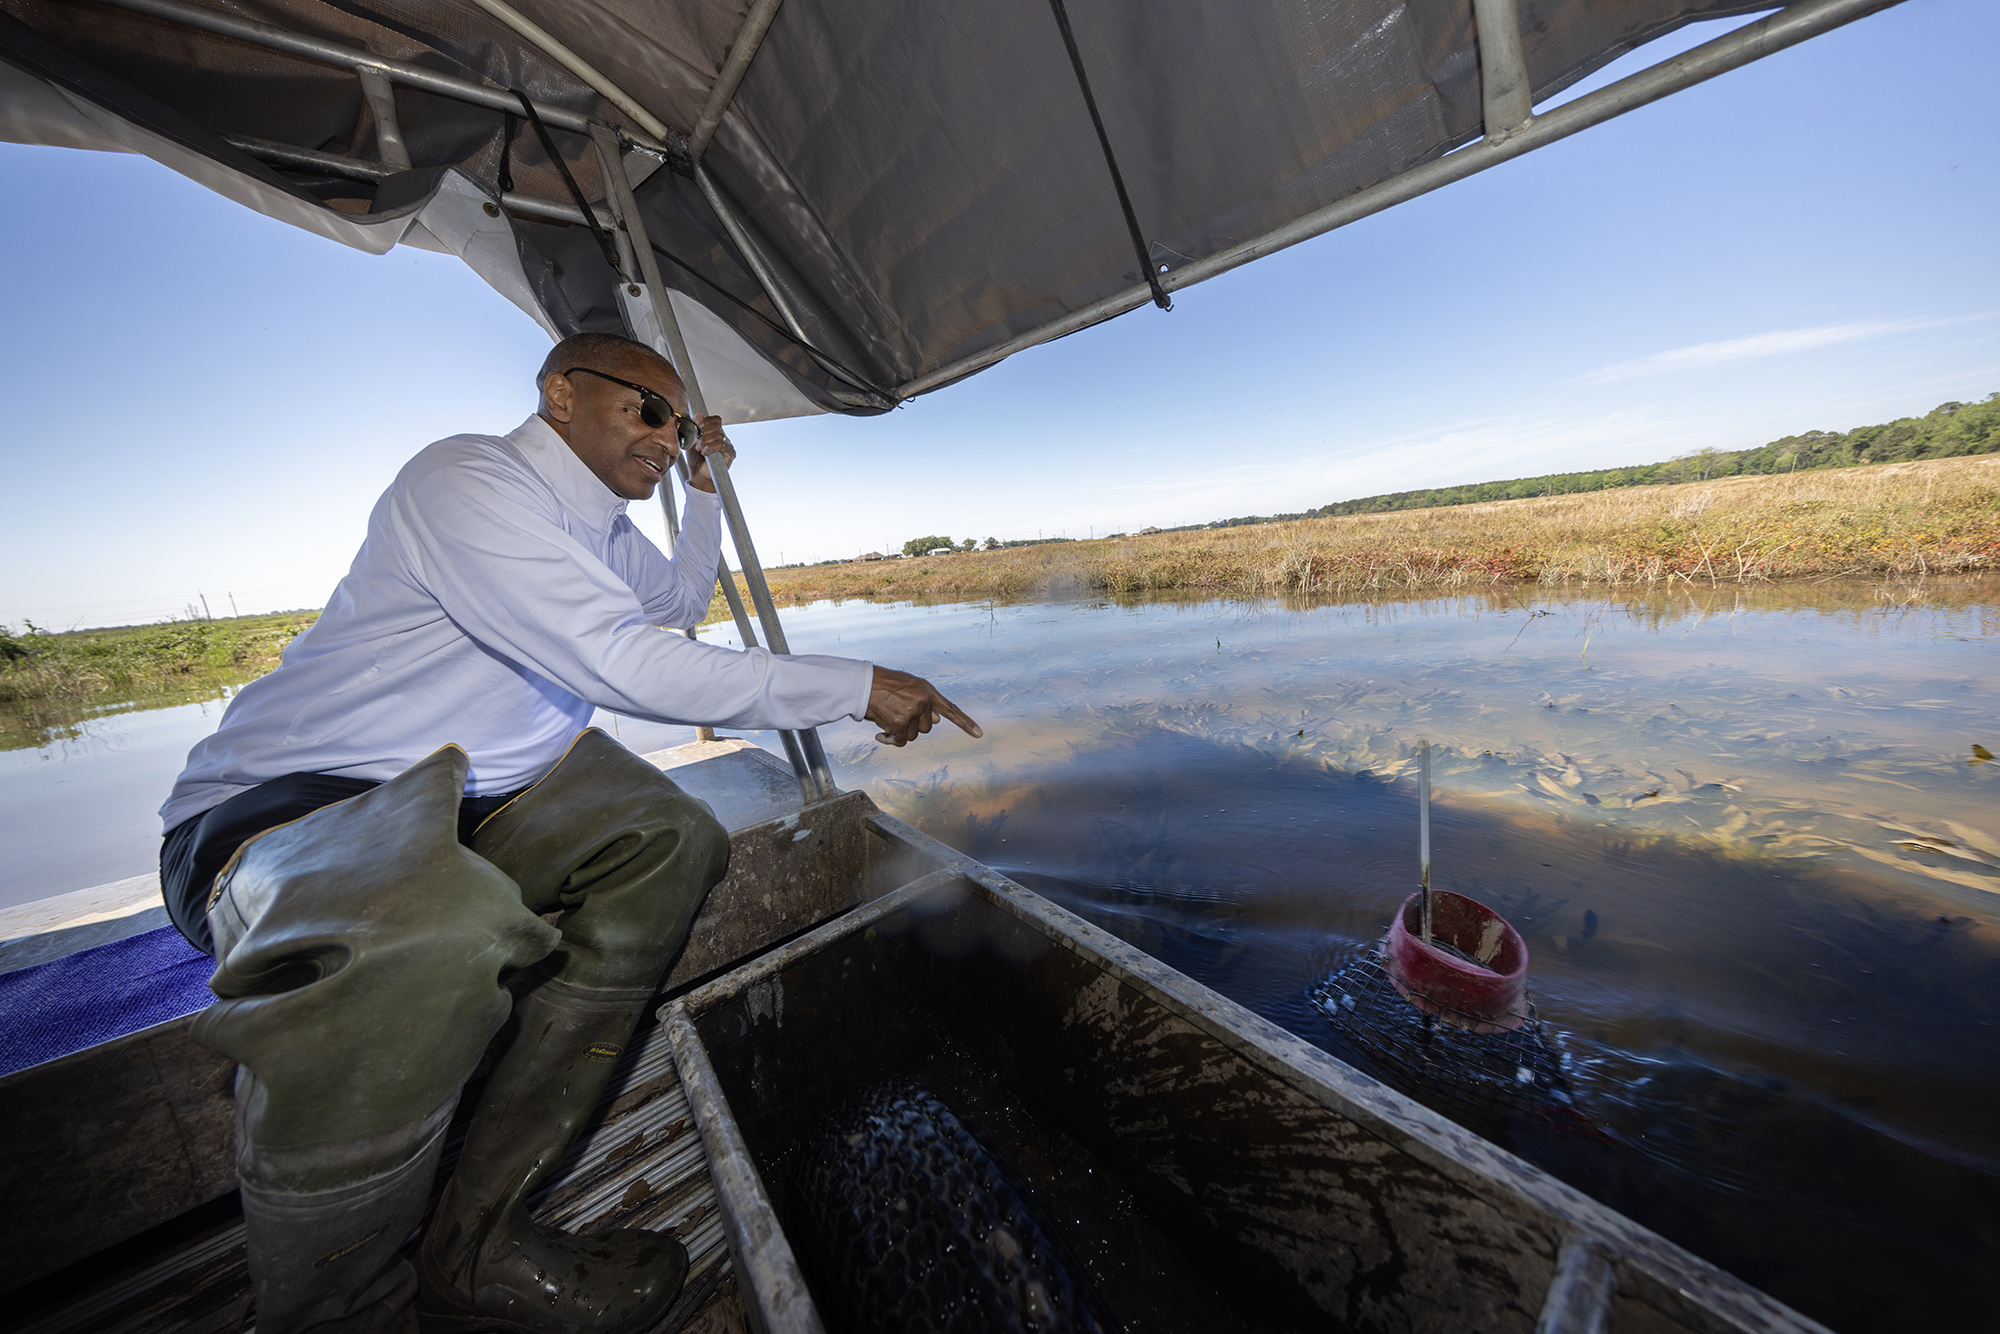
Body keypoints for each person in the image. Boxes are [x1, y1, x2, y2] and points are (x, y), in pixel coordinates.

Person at [157, 331, 981, 1334]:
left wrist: (705, 485)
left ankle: (476, 1238)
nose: (664, 433)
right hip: (292, 804)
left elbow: (675, 604)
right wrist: (855, 685)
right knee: (427, 932)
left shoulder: (598, 528)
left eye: (676, 423)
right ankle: (337, 1308)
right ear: (562, 393)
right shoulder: (468, 478)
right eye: (648, 408)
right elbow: (622, 659)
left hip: (483, 796)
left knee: (674, 838)